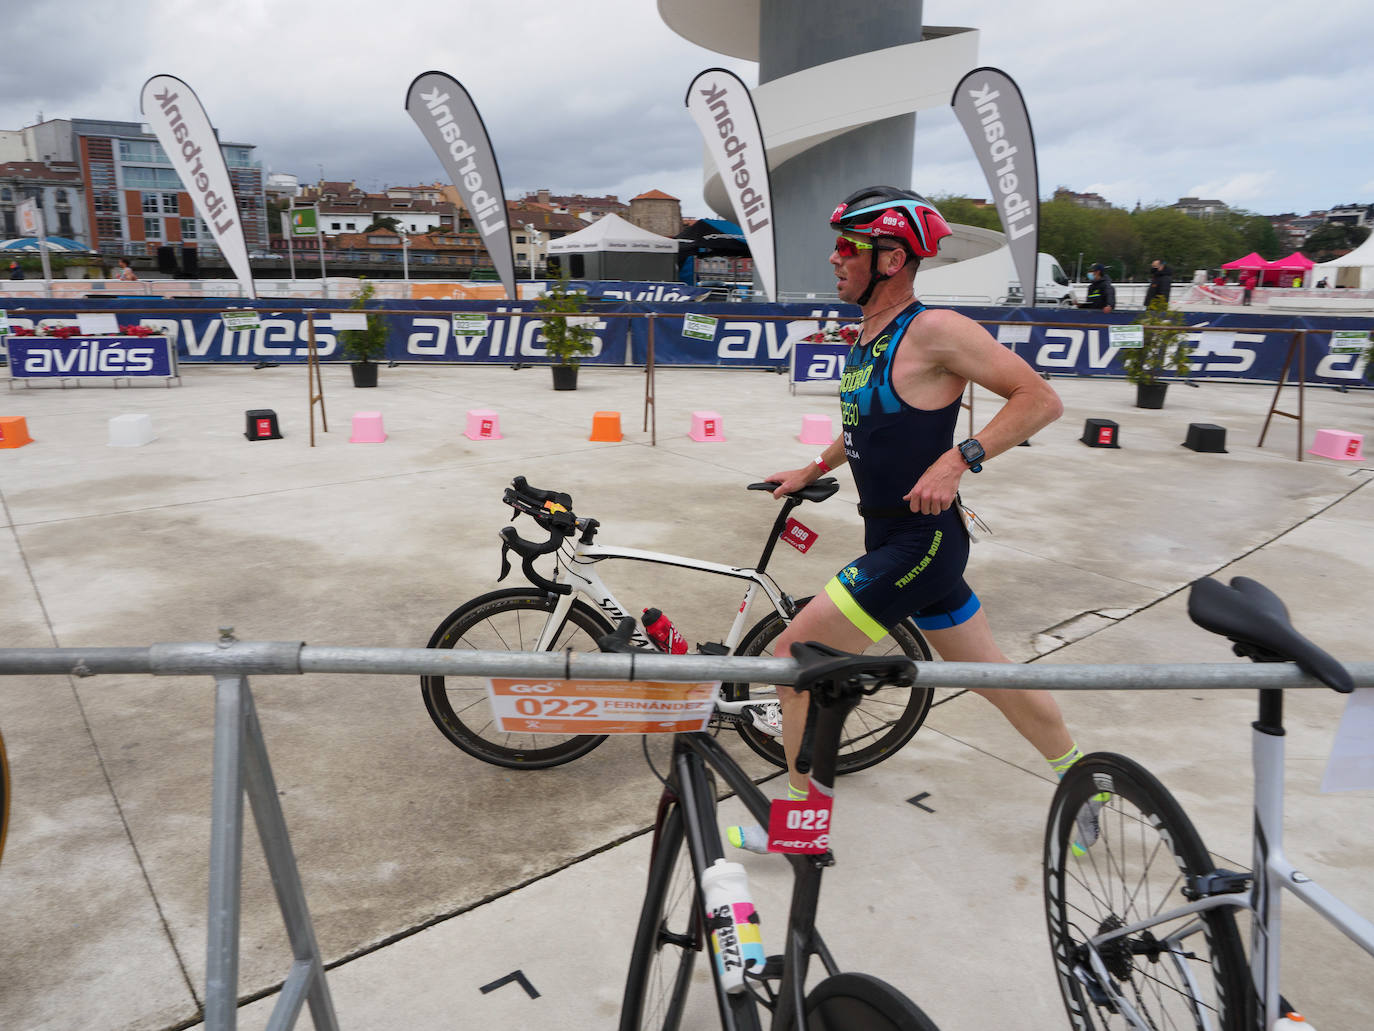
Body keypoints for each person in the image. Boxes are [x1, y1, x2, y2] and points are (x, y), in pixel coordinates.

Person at [730, 186, 1097, 853]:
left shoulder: (936, 331)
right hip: (904, 539)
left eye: (850, 248)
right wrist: (812, 468)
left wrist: (961, 458)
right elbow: (865, 424)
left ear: (892, 257)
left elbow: (1040, 399)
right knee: (996, 679)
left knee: (792, 657)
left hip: (920, 544)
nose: (836, 259)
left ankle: (799, 827)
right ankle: (1084, 782)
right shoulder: (868, 333)